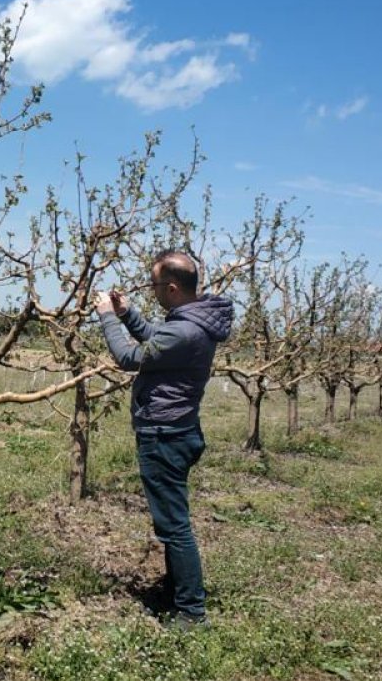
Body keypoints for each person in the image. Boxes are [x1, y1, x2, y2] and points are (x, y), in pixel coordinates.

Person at [94, 250, 233, 626]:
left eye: (155, 285)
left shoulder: (186, 330)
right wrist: (127, 314)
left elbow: (128, 356)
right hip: (178, 430)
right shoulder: (192, 322)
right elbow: (158, 338)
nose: (152, 291)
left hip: (165, 435)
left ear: (171, 288)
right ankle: (176, 592)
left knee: (174, 526)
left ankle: (191, 611)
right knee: (171, 522)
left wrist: (106, 315)